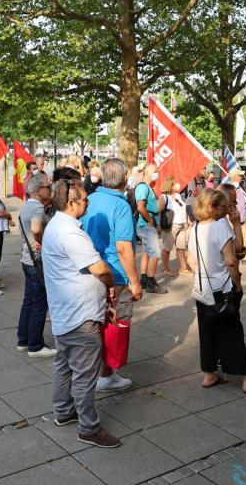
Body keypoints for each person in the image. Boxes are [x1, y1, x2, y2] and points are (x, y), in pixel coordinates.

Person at [43, 180, 120, 448]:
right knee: (85, 374)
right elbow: (99, 268)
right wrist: (111, 283)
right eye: (84, 200)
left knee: (64, 365)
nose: (87, 203)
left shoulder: (59, 225)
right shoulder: (70, 232)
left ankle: (63, 411)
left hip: (67, 311)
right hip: (79, 314)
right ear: (72, 203)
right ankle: (88, 427)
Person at [187, 188, 246, 395]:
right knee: (233, 332)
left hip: (202, 289)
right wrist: (236, 285)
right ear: (212, 207)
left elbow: (191, 261)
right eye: (224, 206)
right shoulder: (220, 226)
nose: (228, 210)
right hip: (222, 288)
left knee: (207, 331)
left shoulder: (196, 227)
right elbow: (231, 260)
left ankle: (209, 374)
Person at [82, 158, 143, 392]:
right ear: (125, 179)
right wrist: (135, 282)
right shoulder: (121, 206)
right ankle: (107, 374)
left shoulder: (91, 198)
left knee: (97, 323)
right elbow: (123, 247)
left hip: (92, 271)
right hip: (115, 274)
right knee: (115, 324)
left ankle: (97, 371)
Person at [17, 172, 56, 357]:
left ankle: (23, 339)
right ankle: (35, 345)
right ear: (39, 190)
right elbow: (35, 229)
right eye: (48, 187)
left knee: (29, 301)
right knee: (40, 303)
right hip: (37, 260)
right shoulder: (38, 208)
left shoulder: (26, 207)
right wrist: (42, 240)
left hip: (27, 259)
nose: (50, 190)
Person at [134, 163, 167, 294]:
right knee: (155, 254)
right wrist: (151, 220)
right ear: (147, 172)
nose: (156, 173)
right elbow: (140, 207)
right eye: (155, 171)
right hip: (146, 225)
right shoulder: (143, 187)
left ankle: (143, 279)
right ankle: (151, 283)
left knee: (147, 253)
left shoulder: (147, 187)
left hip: (148, 224)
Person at [158, 177, 179, 277]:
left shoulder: (175, 196)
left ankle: (167, 267)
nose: (176, 185)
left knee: (171, 247)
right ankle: (166, 268)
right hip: (168, 227)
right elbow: (158, 212)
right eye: (174, 184)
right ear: (170, 186)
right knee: (167, 248)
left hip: (175, 225)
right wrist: (158, 226)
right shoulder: (163, 197)